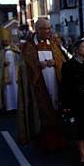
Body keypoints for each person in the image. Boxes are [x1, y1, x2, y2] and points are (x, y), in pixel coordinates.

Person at [17, 18, 67, 151]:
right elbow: (24, 67)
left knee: (56, 109)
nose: (48, 31)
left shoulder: (55, 43)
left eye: (49, 28)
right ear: (37, 30)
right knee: (43, 114)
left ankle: (59, 140)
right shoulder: (28, 47)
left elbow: (63, 60)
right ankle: (44, 143)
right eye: (45, 29)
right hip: (39, 86)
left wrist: (56, 63)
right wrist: (37, 66)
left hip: (55, 84)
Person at [0, 28, 21, 113]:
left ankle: (17, 106)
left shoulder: (15, 48)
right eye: (4, 41)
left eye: (6, 40)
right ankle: (8, 107)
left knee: (16, 89)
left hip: (15, 73)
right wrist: (2, 64)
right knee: (7, 91)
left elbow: (20, 59)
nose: (5, 42)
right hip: (4, 75)